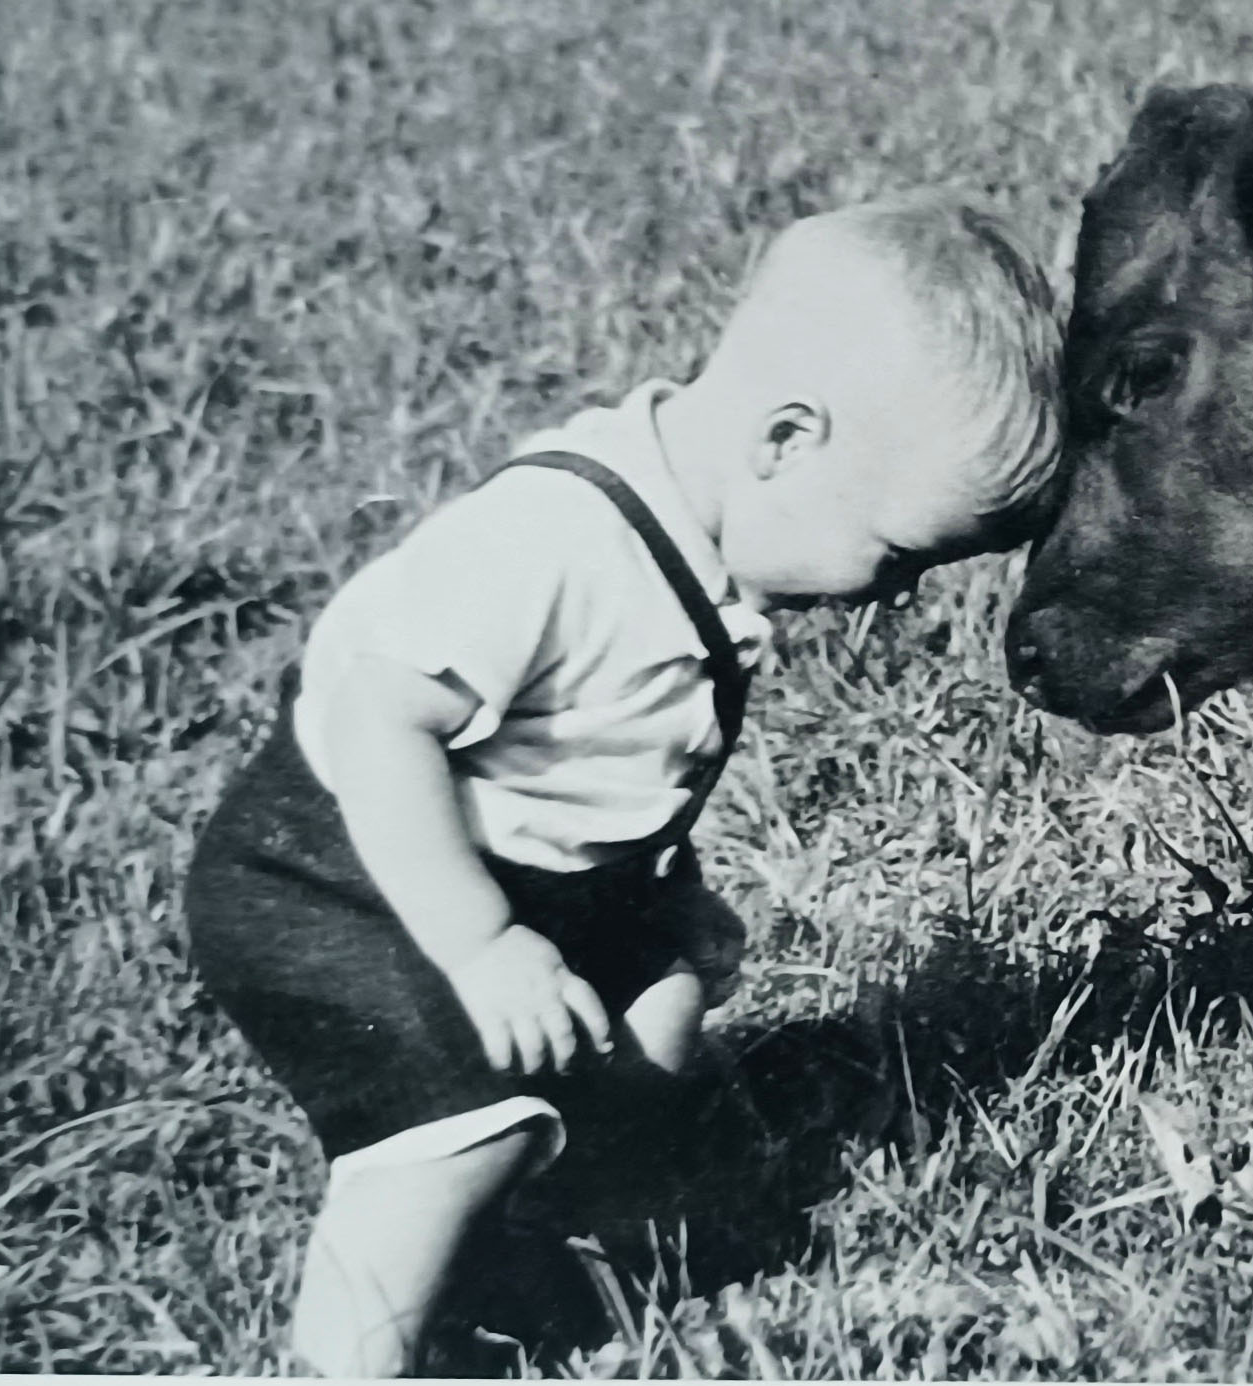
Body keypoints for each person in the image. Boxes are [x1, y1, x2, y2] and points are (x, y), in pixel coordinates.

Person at [183, 192, 1061, 1377]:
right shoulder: (551, 539)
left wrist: (660, 890)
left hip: (526, 878)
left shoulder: (713, 547)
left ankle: (549, 1244)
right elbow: (380, 719)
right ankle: (351, 1353)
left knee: (659, 1011)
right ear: (786, 441)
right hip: (343, 874)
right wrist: (482, 944)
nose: (893, 594)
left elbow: (601, 758)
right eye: (899, 553)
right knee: (461, 1122)